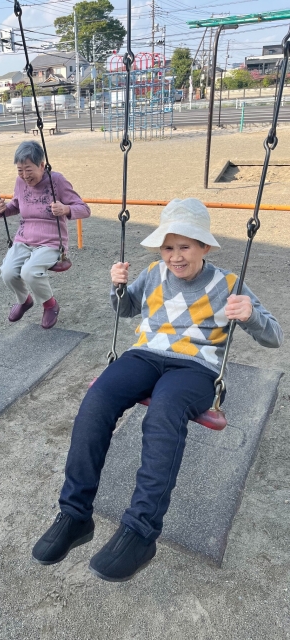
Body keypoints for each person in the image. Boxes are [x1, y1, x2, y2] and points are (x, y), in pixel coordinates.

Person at [32, 198, 283, 582]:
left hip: (196, 367)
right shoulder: (152, 273)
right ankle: (74, 514)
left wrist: (250, 315)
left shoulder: (228, 284)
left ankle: (141, 531)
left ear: (205, 246)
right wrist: (118, 288)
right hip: (145, 355)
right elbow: (126, 309)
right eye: (168, 247)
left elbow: (273, 337)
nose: (175, 257)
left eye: (185, 247)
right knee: (97, 400)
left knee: (164, 412)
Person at [0, 141, 90, 329]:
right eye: (20, 170)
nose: (24, 176)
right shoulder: (20, 182)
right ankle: (24, 300)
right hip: (24, 238)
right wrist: (3, 209)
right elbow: (17, 205)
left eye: (28, 170)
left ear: (42, 165)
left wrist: (66, 209)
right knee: (7, 272)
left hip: (51, 241)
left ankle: (50, 304)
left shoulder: (57, 181)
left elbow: (84, 209)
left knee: (29, 271)